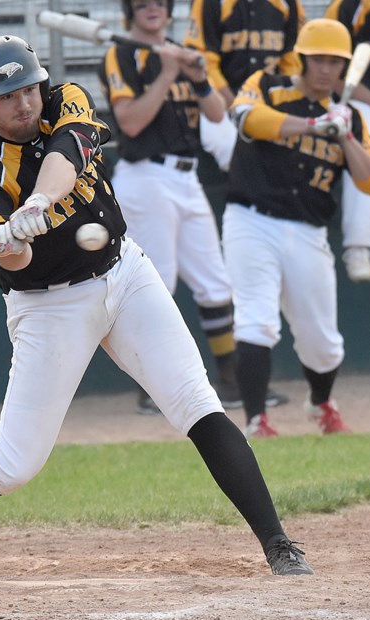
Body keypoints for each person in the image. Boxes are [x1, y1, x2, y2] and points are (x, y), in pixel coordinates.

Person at [0, 34, 314, 581]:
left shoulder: (68, 100)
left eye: (28, 88)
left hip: (125, 272)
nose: (23, 102)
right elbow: (16, 266)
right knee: (13, 466)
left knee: (197, 405)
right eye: (6, 95)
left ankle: (279, 545)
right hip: (49, 307)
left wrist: (38, 202)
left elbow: (66, 158)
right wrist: (8, 241)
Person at [97, 0, 288, 415]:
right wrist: (167, 73)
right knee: (157, 285)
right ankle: (152, 387)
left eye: (160, 4)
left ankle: (231, 382)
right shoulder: (123, 53)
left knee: (216, 284)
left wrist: (199, 78)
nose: (152, 10)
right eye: (142, 4)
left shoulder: (178, 49)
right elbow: (130, 122)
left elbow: (218, 114)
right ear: (130, 11)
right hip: (146, 176)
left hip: (187, 176)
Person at [221, 19, 370, 438]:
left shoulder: (350, 116)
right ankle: (257, 421)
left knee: (323, 342)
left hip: (308, 231)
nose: (326, 69)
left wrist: (345, 136)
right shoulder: (268, 84)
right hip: (250, 219)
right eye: (318, 60)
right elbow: (245, 119)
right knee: (255, 320)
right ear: (303, 57)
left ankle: (321, 403)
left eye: (335, 62)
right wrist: (313, 127)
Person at [182, 0, 307, 173]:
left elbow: (292, 62)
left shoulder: (288, 4)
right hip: (220, 104)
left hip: (270, 102)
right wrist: (237, 105)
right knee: (230, 148)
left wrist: (282, 107)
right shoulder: (210, 3)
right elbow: (204, 63)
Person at [324, 0, 370, 282]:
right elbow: (332, 77)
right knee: (364, 141)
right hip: (361, 97)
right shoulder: (346, 8)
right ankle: (358, 246)